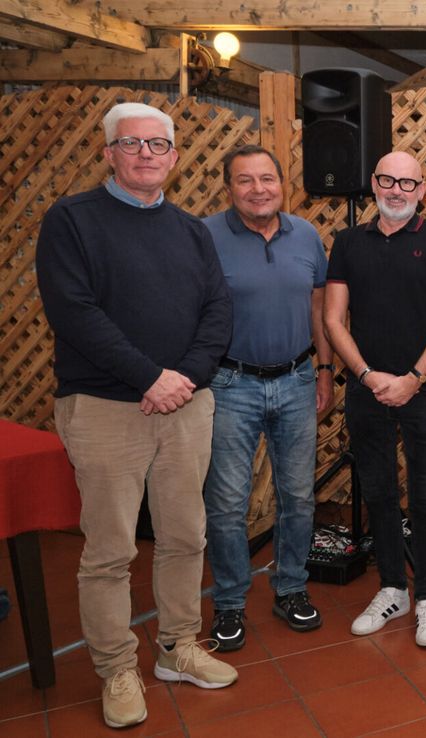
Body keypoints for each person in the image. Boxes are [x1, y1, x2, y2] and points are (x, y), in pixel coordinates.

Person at [35, 101, 237, 729]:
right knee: (111, 549)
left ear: (175, 157)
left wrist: (185, 379)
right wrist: (149, 376)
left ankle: (178, 647)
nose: (147, 154)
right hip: (103, 408)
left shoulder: (190, 231)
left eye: (159, 145)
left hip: (185, 406)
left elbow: (217, 313)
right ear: (108, 153)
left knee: (185, 536)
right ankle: (116, 666)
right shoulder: (71, 221)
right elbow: (74, 313)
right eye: (133, 144)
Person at [324, 151, 426, 648]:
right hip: (367, 392)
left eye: (408, 183)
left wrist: (412, 377)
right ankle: (393, 589)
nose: (397, 190)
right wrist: (366, 376)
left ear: (422, 189)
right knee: (381, 494)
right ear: (373, 183)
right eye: (387, 180)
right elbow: (331, 319)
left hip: (424, 390)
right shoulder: (347, 242)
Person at [202, 145, 333, 651]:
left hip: (298, 378)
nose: (258, 189)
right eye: (245, 180)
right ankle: (230, 601)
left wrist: (324, 368)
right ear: (228, 188)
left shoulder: (306, 235)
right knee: (228, 503)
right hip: (230, 385)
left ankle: (291, 589)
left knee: (298, 496)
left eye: (267, 179)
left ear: (283, 184)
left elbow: (318, 306)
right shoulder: (205, 236)